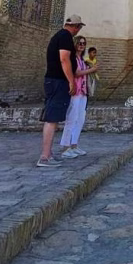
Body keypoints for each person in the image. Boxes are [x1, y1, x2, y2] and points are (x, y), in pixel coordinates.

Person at [38, 15, 83, 167]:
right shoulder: (65, 37)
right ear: (76, 27)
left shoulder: (58, 36)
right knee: (52, 119)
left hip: (54, 80)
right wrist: (71, 81)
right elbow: (64, 59)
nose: (78, 31)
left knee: (53, 118)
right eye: (79, 28)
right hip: (58, 81)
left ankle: (48, 154)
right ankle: (44, 157)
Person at [60, 35, 91, 158]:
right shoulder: (72, 58)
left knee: (80, 119)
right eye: (79, 43)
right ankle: (65, 147)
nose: (81, 45)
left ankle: (74, 145)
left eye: (83, 43)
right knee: (71, 119)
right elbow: (76, 73)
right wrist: (92, 70)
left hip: (83, 91)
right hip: (74, 91)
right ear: (75, 44)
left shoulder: (82, 59)